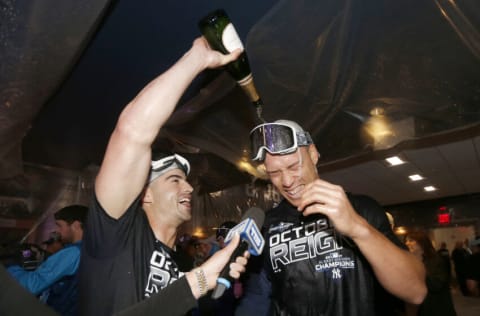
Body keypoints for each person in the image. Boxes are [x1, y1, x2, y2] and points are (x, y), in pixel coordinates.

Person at [78, 36, 246, 316]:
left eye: (186, 180)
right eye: (174, 179)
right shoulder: (116, 235)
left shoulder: (183, 264)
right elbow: (131, 132)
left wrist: (217, 277)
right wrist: (198, 58)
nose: (190, 188)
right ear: (145, 194)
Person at [238, 119, 427, 315]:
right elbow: (256, 298)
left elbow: (416, 292)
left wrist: (358, 228)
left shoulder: (362, 209)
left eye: (294, 166)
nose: (286, 181)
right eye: (274, 173)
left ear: (313, 154)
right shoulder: (268, 224)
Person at [1, 237, 248, 316]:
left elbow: (186, 293)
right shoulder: (130, 256)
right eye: (174, 180)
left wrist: (206, 277)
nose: (188, 188)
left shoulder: (173, 258)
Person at [7, 205, 87, 316]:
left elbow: (32, 285)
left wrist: (12, 267)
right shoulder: (89, 249)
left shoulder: (73, 252)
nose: (57, 231)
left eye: (60, 226)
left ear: (76, 225)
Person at [404, 231, 456, 316]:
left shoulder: (436, 260)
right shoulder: (409, 261)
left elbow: (436, 284)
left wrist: (419, 268)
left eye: (411, 240)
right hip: (418, 309)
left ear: (422, 243)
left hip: (437, 307)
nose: (407, 243)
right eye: (406, 241)